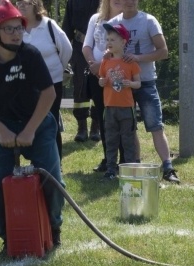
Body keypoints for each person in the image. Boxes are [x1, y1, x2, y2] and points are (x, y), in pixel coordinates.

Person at [0, 0, 65, 250]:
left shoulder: (30, 54)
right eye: (9, 29)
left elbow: (49, 94)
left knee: (52, 180)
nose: (17, 34)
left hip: (38, 124)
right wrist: (0, 129)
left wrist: (31, 129)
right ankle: (7, 237)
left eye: (19, 28)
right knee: (0, 185)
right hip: (1, 125)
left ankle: (54, 228)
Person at [108, 0, 180, 184]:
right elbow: (109, 49)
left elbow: (164, 51)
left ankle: (168, 167)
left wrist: (138, 58)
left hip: (146, 81)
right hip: (123, 85)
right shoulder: (114, 22)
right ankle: (134, 165)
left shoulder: (149, 20)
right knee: (129, 127)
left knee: (155, 125)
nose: (130, 2)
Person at [18, 0, 72, 160]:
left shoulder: (49, 25)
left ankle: (56, 161)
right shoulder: (15, 28)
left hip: (52, 83)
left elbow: (66, 50)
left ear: (35, 5)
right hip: (24, 86)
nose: (21, 5)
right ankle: (35, 159)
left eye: (26, 3)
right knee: (29, 121)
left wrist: (58, 70)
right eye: (18, 2)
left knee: (50, 120)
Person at [82, 0, 123, 174]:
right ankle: (108, 159)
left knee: (122, 120)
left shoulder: (125, 20)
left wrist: (104, 65)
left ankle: (126, 160)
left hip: (119, 77)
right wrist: (94, 65)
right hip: (97, 77)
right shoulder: (96, 19)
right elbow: (86, 46)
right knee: (104, 118)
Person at [97, 23, 139, 180]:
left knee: (128, 140)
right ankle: (110, 170)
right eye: (107, 39)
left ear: (123, 42)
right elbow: (101, 78)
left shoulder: (130, 62)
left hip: (126, 108)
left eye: (113, 39)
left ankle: (130, 169)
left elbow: (138, 83)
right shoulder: (105, 61)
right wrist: (101, 81)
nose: (109, 42)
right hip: (109, 107)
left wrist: (131, 84)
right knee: (111, 139)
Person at [61, 0, 100, 142]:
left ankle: (96, 127)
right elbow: (66, 28)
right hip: (79, 49)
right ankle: (81, 128)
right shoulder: (73, 2)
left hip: (101, 47)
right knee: (80, 88)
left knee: (98, 86)